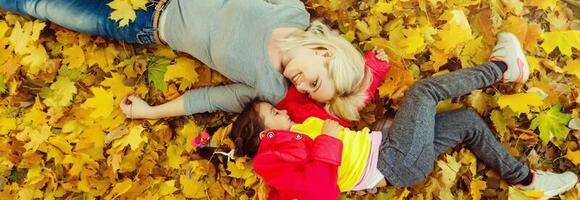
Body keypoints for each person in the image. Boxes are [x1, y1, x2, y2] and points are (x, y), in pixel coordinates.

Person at [197, 32, 578, 200]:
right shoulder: (274, 158)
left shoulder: (297, 124)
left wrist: (371, 70)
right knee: (423, 92)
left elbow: (343, 104)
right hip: (394, 159)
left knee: (466, 122)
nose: (281, 111)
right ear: (265, 133)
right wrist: (328, 142)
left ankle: (526, 180)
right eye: (273, 113)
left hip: (394, 151)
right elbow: (321, 192)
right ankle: (502, 68)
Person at [0, 0, 372, 121]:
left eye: (308, 92)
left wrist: (149, 112)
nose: (301, 86)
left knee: (47, 5)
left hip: (149, 22)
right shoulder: (291, 12)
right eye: (315, 82)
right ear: (325, 54)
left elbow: (209, 98)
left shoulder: (269, 87)